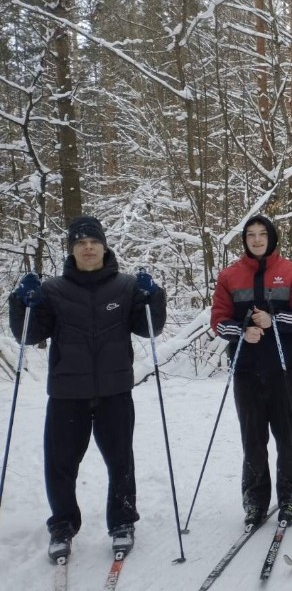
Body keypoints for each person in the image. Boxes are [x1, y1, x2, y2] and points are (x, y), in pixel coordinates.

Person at [8, 215, 166, 561]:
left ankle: (122, 522)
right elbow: (30, 335)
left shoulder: (125, 287)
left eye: (94, 242)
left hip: (114, 391)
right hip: (67, 394)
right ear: (72, 250)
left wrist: (153, 296)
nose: (89, 248)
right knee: (60, 464)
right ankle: (62, 526)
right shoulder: (52, 290)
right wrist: (21, 303)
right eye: (81, 243)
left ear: (104, 246)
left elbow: (147, 329)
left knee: (120, 461)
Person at [211, 215, 292, 527]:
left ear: (272, 237)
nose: (256, 240)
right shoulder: (230, 276)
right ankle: (255, 500)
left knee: (287, 437)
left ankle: (291, 496)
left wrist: (275, 321)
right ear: (245, 240)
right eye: (250, 235)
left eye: (262, 234)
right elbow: (218, 321)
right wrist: (242, 332)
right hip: (246, 371)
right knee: (253, 439)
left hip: (284, 369)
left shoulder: (291, 272)